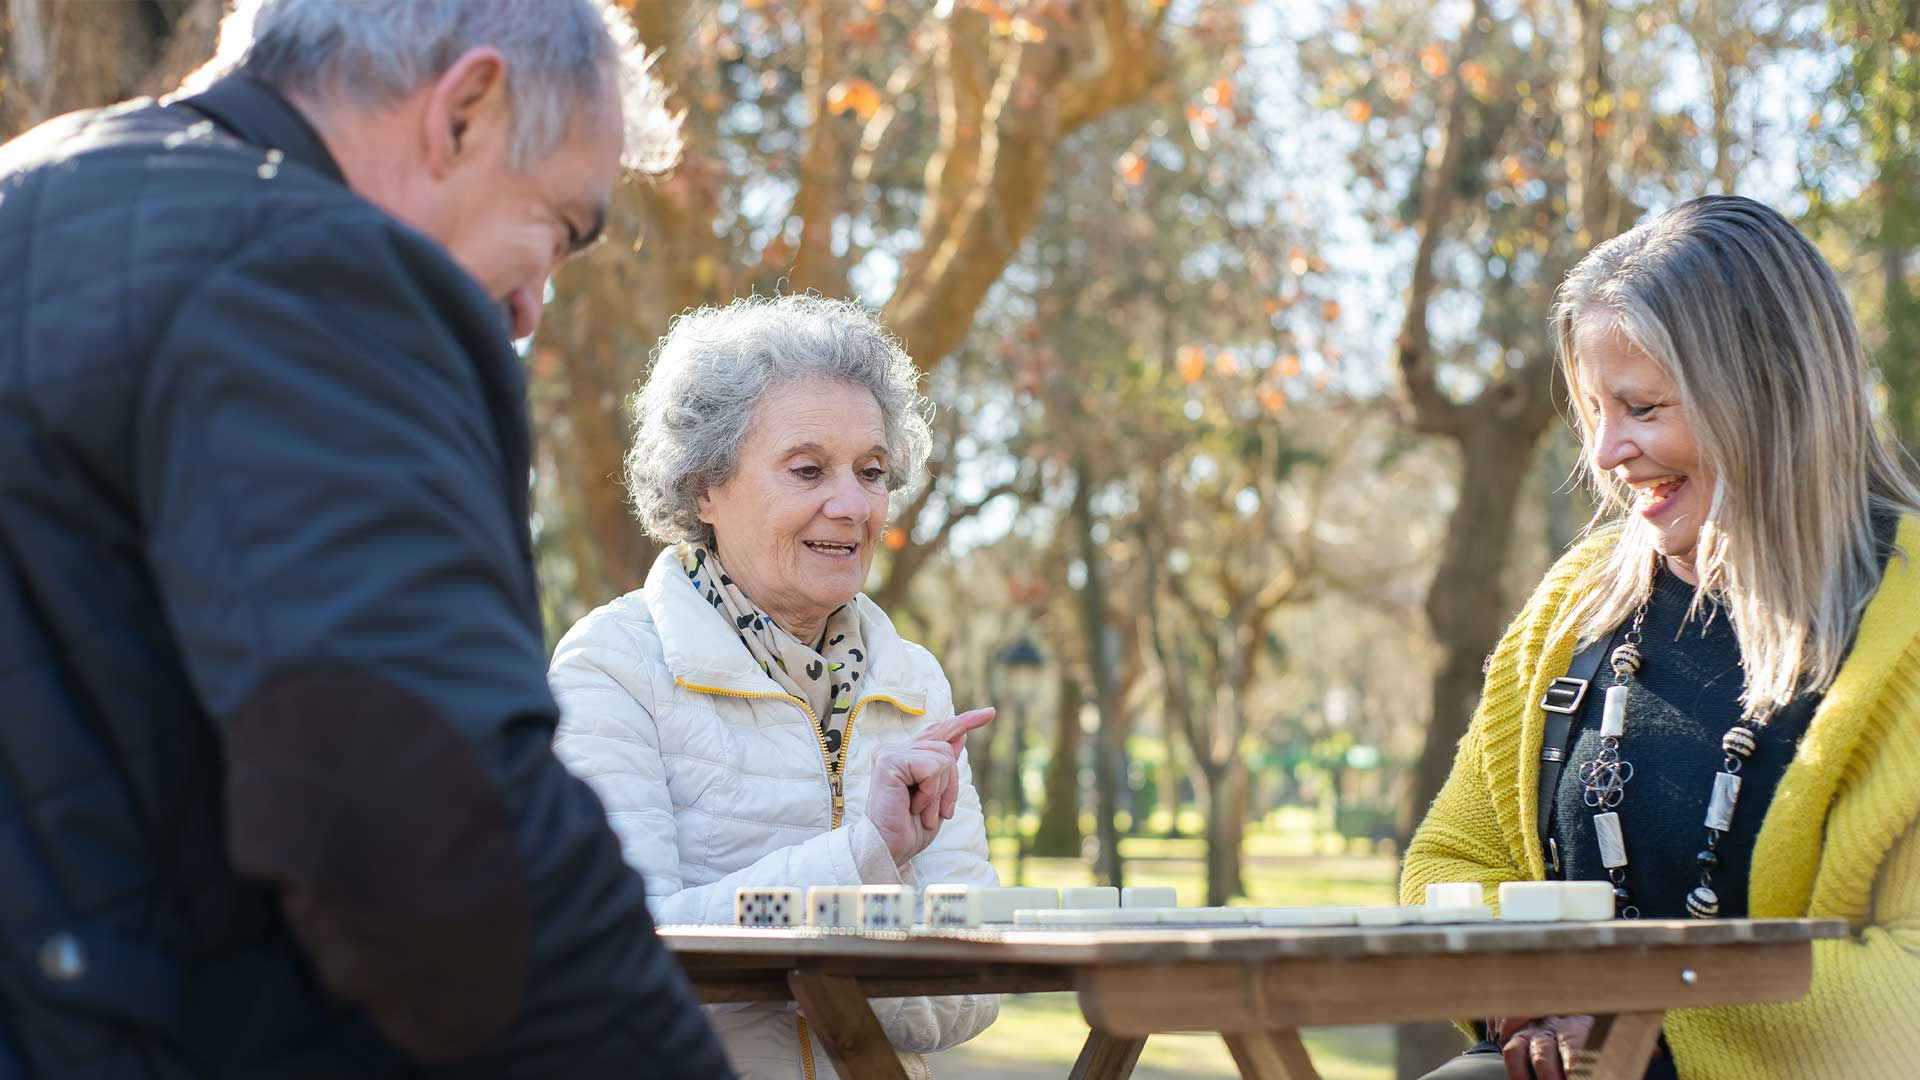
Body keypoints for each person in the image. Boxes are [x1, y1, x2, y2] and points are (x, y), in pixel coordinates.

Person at [0, 1, 731, 1075]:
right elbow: (429, 837)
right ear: (468, 111)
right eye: (560, 229)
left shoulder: (34, 200)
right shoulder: (305, 272)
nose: (533, 306)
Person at [1403, 195, 1920, 1080]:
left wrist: (1634, 1020)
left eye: (1641, 407)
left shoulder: (1902, 631)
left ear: (1767, 395)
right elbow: (1452, 861)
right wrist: (1521, 988)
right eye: (1595, 410)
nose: (1608, 451)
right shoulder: (1573, 607)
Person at [549, 294, 1002, 1079]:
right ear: (703, 488)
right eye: (807, 469)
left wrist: (867, 923)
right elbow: (613, 951)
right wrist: (867, 860)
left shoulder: (912, 680)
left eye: (872, 471)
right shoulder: (612, 665)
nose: (853, 504)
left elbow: (972, 994)